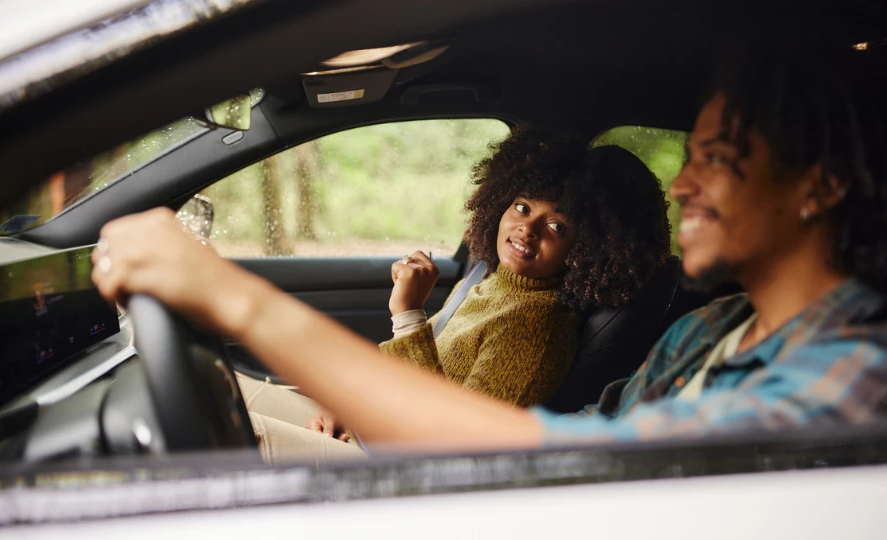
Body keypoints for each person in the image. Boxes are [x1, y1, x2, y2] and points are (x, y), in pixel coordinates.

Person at [91, 40, 887, 451]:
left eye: (713, 160)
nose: (681, 188)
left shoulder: (851, 379)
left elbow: (575, 458)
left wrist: (234, 296)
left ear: (817, 185)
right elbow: (595, 432)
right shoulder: (706, 331)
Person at [236, 126, 672, 459]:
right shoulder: (493, 283)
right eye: (522, 207)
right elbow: (426, 379)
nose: (527, 227)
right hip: (373, 430)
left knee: (224, 429)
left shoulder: (535, 327)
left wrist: (407, 313)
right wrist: (349, 405)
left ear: (588, 248)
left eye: (556, 225)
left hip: (387, 467)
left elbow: (451, 443)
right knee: (228, 390)